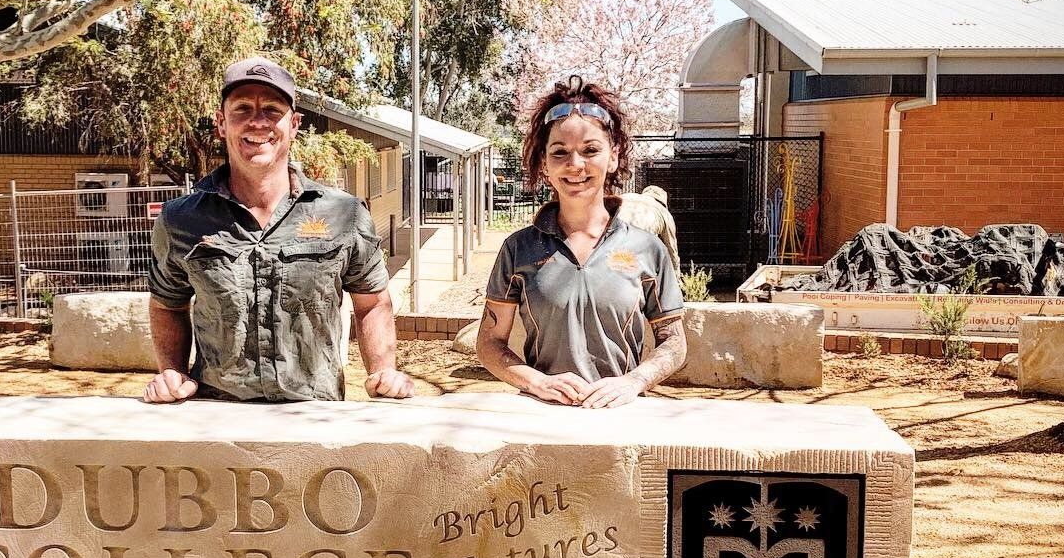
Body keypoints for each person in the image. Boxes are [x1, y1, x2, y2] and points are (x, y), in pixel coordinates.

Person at [144, 57, 414, 403]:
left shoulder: (344, 214)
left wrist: (382, 370)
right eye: (242, 109)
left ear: (295, 124)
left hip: (314, 416)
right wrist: (173, 371)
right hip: (215, 414)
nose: (258, 122)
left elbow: (373, 301)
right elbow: (167, 304)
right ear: (221, 123)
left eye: (272, 110)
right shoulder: (180, 220)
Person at [477, 76, 688, 407]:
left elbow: (673, 342)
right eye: (560, 152)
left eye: (590, 150)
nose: (575, 165)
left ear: (614, 156)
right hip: (540, 420)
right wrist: (537, 382)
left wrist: (633, 382)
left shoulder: (647, 249)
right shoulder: (518, 250)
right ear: (544, 164)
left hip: (622, 422)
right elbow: (489, 342)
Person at [617, 183, 681, 272]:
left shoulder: (626, 196)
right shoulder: (664, 213)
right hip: (636, 253)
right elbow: (672, 250)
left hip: (609, 240)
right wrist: (676, 277)